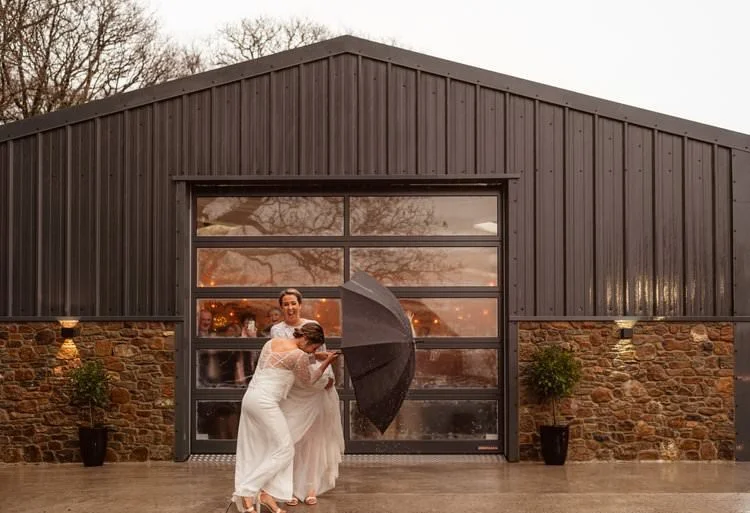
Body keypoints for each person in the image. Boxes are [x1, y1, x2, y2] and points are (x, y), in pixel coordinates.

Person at [232, 323, 339, 513]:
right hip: (266, 403)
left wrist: (313, 356)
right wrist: (326, 363)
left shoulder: (272, 343)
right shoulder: (299, 356)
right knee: (285, 449)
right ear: (306, 339)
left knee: (264, 449)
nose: (313, 350)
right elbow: (309, 380)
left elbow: (283, 360)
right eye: (313, 347)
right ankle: (248, 490)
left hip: (250, 399)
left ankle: (266, 496)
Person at [271, 288, 343, 506]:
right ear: (281, 307)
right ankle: (289, 488)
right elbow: (282, 357)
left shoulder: (313, 326)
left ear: (300, 305)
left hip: (314, 389)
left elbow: (320, 352)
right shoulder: (277, 330)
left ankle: (311, 487)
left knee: (313, 441)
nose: (290, 308)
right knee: (291, 440)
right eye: (286, 304)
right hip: (292, 391)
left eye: (293, 303)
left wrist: (327, 377)